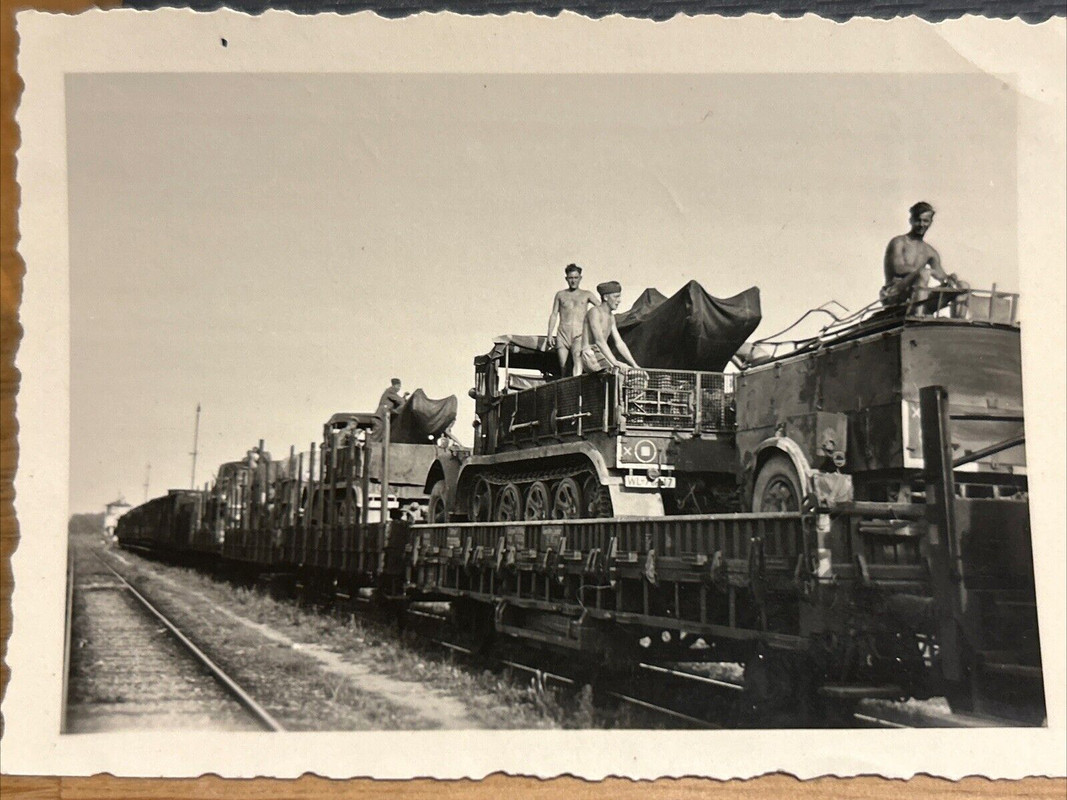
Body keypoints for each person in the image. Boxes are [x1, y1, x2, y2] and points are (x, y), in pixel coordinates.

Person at [882, 201, 967, 308]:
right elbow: (898, 268)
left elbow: (940, 275)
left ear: (931, 222)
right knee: (924, 273)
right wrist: (927, 272)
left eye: (925, 221)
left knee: (962, 286)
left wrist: (949, 278)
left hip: (916, 294)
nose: (922, 225)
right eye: (918, 220)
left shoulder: (930, 251)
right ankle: (917, 315)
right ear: (911, 220)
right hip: (894, 293)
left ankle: (957, 323)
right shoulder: (899, 242)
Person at [547, 263, 601, 375]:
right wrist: (549, 334)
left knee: (578, 358)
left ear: (580, 278)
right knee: (563, 367)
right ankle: (566, 391)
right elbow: (554, 314)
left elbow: (601, 308)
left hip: (579, 334)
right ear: (566, 278)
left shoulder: (587, 294)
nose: (573, 281)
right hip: (563, 334)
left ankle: (577, 390)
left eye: (576, 278)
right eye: (570, 278)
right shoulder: (560, 295)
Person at [579, 281, 643, 375]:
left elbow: (619, 343)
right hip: (590, 355)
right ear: (605, 297)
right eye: (616, 296)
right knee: (619, 373)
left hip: (600, 356)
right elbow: (599, 341)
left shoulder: (611, 317)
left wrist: (635, 365)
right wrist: (615, 363)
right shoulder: (595, 312)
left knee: (634, 373)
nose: (619, 300)